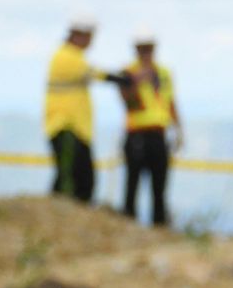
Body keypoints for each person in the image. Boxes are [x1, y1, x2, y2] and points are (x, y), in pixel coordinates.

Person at [43, 14, 121, 204]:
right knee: (73, 178)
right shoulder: (66, 57)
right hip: (66, 125)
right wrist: (119, 78)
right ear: (79, 35)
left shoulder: (71, 56)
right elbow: (94, 73)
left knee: (77, 176)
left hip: (75, 127)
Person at [118, 27, 182, 226]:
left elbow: (170, 102)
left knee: (159, 187)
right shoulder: (128, 73)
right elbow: (128, 103)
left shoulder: (164, 73)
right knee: (132, 184)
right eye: (142, 49)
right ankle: (128, 224)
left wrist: (179, 129)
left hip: (159, 135)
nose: (146, 53)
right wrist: (136, 82)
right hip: (136, 134)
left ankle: (160, 225)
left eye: (149, 49)